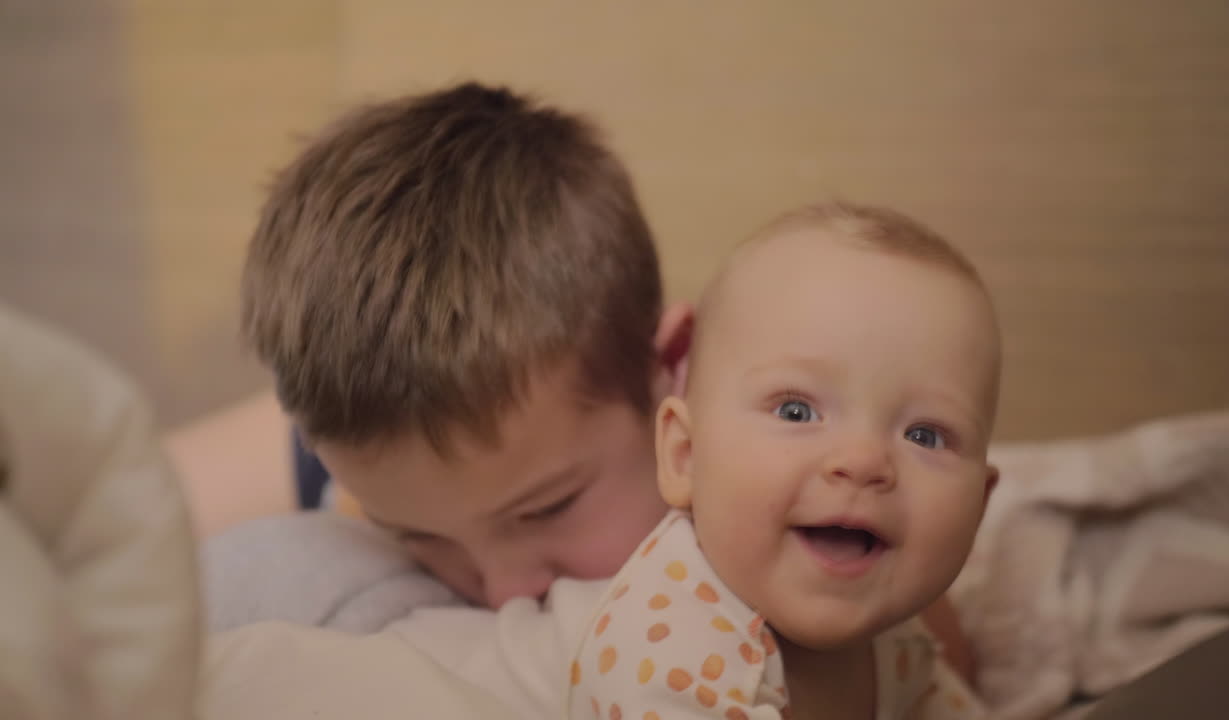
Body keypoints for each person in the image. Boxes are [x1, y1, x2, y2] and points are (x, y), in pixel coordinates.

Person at [237, 81, 975, 680]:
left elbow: (932, 660)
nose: (502, 592)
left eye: (548, 508)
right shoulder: (361, 462)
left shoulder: (781, 524)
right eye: (421, 538)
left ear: (673, 374)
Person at [567, 202, 1000, 719]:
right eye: (797, 411)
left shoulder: (900, 640)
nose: (862, 460)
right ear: (686, 456)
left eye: (925, 436)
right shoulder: (664, 657)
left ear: (979, 506)